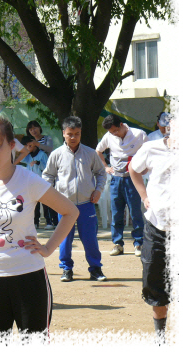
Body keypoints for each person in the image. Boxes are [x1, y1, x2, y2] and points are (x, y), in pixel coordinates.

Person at [0, 117, 79, 337]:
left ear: (11, 145)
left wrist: (48, 248)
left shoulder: (28, 180)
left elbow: (70, 212)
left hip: (29, 275)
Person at [129, 117, 176, 344]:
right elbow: (133, 169)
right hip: (156, 226)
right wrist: (145, 196)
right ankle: (161, 340)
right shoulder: (151, 148)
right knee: (155, 286)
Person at [42, 116, 107, 283]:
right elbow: (48, 176)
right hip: (64, 206)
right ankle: (66, 269)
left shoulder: (90, 153)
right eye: (70, 134)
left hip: (86, 204)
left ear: (81, 133)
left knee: (90, 239)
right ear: (63, 133)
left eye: (77, 134)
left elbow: (101, 173)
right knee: (64, 239)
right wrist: (52, 197)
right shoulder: (56, 155)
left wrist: (98, 190)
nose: (73, 137)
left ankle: (95, 269)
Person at [96, 114, 148, 257]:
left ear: (121, 124)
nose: (114, 134)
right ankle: (117, 243)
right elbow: (98, 151)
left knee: (135, 212)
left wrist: (145, 168)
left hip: (133, 179)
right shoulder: (109, 136)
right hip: (115, 178)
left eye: (115, 131)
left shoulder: (139, 134)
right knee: (116, 213)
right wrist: (105, 167)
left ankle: (139, 243)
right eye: (111, 132)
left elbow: (149, 153)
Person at [20, 135, 53, 230]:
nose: (28, 147)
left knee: (45, 203)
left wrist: (38, 163)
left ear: (34, 143)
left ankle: (49, 222)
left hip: (42, 182)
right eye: (25, 146)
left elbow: (47, 167)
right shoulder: (28, 156)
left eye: (29, 145)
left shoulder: (42, 154)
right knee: (34, 204)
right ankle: (35, 222)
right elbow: (21, 160)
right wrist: (25, 151)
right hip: (31, 183)